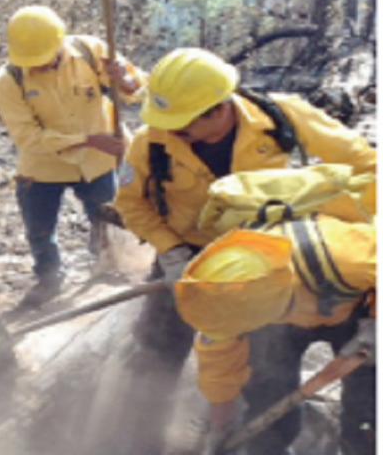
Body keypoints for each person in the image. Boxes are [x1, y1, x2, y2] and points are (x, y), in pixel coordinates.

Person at [110, 47, 376, 452]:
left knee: (362, 395)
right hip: (194, 258)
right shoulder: (153, 142)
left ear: (217, 110)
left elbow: (368, 165)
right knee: (157, 350)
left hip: (284, 258)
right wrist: (172, 254)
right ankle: (137, 439)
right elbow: (130, 203)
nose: (170, 132)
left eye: (181, 125)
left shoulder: (281, 117)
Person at [175, 214, 376, 455]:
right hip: (290, 318)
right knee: (267, 400)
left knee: (368, 404)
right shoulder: (222, 302)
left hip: (359, 314)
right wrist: (222, 426)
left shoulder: (344, 254)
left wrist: (375, 328)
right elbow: (219, 371)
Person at [0, 5, 146, 309]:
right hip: (42, 167)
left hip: (99, 163)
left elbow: (138, 90)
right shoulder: (8, 80)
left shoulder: (92, 51)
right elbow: (27, 138)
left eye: (45, 59)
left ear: (60, 42)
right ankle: (49, 279)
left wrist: (125, 82)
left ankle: (106, 274)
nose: (39, 67)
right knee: (40, 230)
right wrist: (88, 141)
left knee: (108, 223)